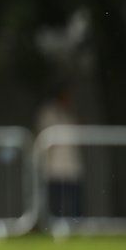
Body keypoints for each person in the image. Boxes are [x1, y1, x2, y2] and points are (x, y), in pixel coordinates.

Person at [36, 87, 83, 222]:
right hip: (54, 167)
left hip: (72, 166)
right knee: (56, 202)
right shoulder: (48, 112)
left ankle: (76, 225)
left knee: (75, 201)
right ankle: (54, 225)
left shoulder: (70, 113)